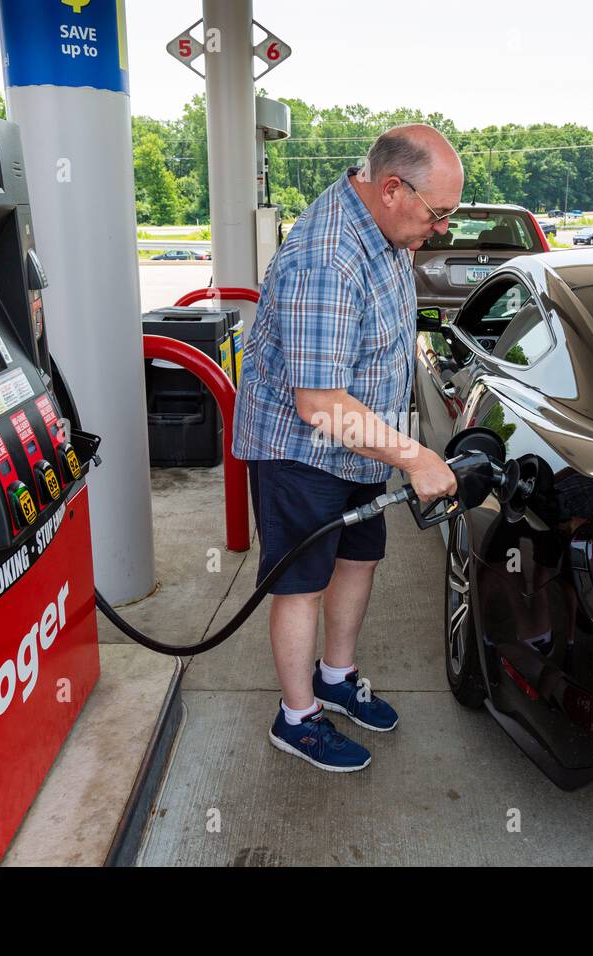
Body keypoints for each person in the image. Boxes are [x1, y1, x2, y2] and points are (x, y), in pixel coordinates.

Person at [232, 125, 463, 773]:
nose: (441, 228)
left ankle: (336, 677)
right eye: (437, 213)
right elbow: (320, 405)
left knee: (359, 560)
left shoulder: (390, 229)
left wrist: (395, 445)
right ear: (392, 188)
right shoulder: (325, 258)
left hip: (365, 442)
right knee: (302, 584)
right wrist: (417, 457)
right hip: (300, 449)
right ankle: (297, 718)